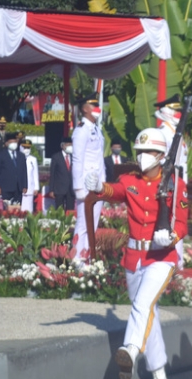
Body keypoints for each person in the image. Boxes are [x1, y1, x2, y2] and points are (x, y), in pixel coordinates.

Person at [85, 127, 189, 379]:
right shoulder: (133, 181)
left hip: (160, 257)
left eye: (149, 152)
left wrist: (172, 236)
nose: (143, 157)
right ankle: (159, 378)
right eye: (140, 152)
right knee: (147, 316)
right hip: (134, 257)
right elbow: (116, 191)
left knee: (142, 305)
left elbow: (182, 222)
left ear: (162, 156)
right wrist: (99, 186)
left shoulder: (175, 184)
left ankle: (129, 350)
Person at [71, 93, 106, 263]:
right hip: (85, 185)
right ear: (84, 109)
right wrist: (78, 187)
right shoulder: (81, 130)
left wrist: (104, 184)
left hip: (97, 184)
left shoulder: (96, 130)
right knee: (83, 224)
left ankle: (86, 256)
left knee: (93, 224)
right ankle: (77, 258)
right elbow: (77, 159)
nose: (96, 108)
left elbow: (99, 160)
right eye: (93, 105)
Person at [155, 96, 188, 269]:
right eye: (174, 110)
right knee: (171, 221)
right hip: (170, 185)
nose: (178, 113)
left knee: (179, 222)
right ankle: (173, 261)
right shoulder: (162, 133)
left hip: (180, 185)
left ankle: (179, 261)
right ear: (165, 112)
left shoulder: (176, 132)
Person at [0, 133, 27, 206]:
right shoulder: (1, 155)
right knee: (6, 208)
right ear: (6, 144)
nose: (14, 144)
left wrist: (25, 185)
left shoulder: (21, 156)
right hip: (6, 187)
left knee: (17, 207)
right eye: (11, 142)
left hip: (18, 188)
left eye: (15, 142)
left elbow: (24, 171)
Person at [48, 137, 75, 211]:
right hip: (59, 189)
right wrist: (51, 190)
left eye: (71, 145)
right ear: (63, 146)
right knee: (59, 210)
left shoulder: (74, 157)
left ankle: (69, 222)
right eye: (68, 145)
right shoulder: (56, 157)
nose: (70, 147)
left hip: (71, 189)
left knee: (70, 210)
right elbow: (52, 174)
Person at [20, 138, 39, 212]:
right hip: (20, 189)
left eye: (28, 148)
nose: (26, 149)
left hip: (30, 188)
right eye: (24, 147)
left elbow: (35, 174)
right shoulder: (18, 158)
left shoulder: (33, 159)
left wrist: (36, 187)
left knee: (29, 210)